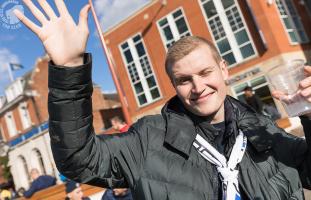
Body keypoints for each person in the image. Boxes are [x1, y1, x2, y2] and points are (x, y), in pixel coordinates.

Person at [14, 1, 311, 200]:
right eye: (184, 80)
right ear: (174, 85)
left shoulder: (263, 130)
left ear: (223, 69)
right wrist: (69, 69)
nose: (198, 87)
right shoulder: (148, 139)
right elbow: (80, 159)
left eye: (205, 72)